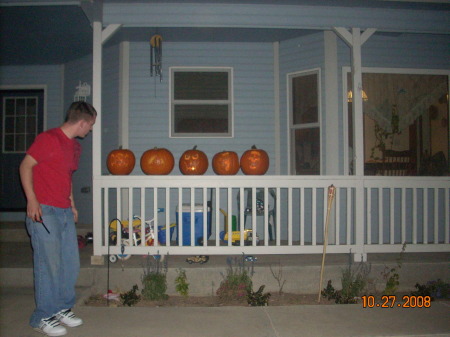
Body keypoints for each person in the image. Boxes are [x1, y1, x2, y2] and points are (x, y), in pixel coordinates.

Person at [19, 101, 97, 337]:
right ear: (82, 122)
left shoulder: (74, 147)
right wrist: (32, 200)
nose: (90, 130)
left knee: (69, 263)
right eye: (90, 125)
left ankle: (62, 308)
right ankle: (42, 316)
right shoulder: (48, 139)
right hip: (43, 211)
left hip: (62, 210)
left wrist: (71, 203)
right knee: (48, 264)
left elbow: (66, 176)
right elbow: (25, 166)